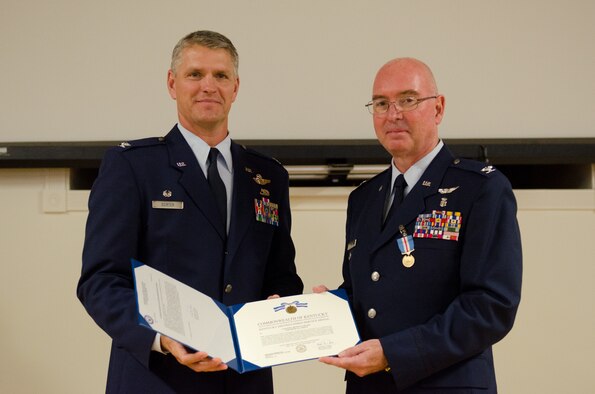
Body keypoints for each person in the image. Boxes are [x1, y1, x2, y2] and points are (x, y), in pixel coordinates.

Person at [77, 30, 303, 394]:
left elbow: (282, 277)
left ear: (236, 87)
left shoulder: (268, 176)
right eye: (195, 74)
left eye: (221, 76)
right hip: (156, 378)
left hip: (245, 381)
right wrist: (161, 338)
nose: (208, 86)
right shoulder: (133, 167)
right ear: (172, 83)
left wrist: (281, 306)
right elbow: (101, 281)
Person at [315, 58, 522, 393]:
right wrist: (329, 314)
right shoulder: (364, 198)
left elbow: (491, 306)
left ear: (438, 109)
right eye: (381, 103)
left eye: (408, 100)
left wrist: (393, 354)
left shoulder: (480, 189)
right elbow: (368, 293)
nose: (393, 113)